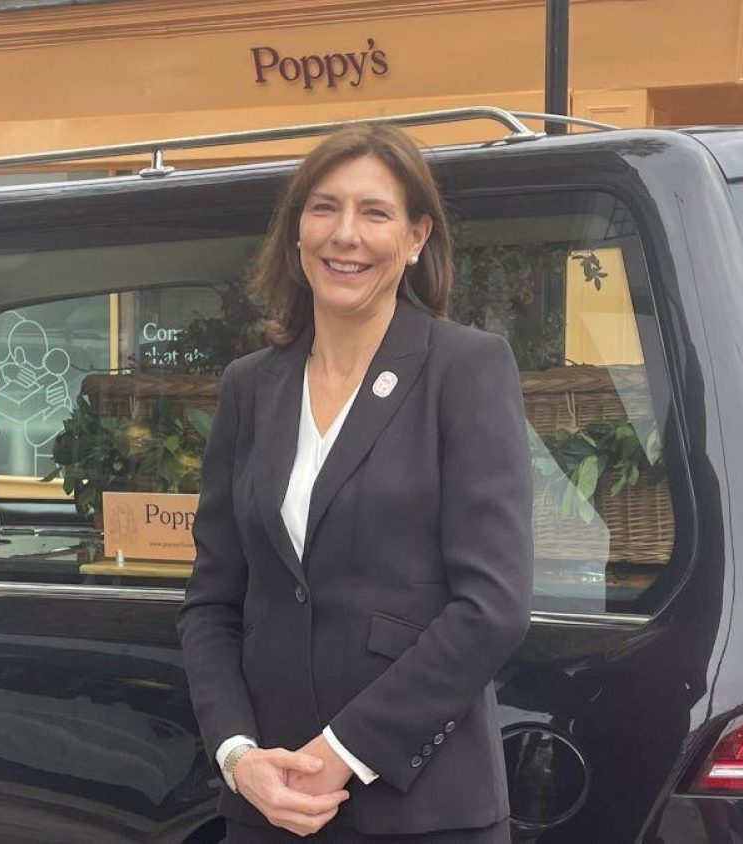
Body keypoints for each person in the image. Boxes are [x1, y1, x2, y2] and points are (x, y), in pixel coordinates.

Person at [176, 123, 534, 841]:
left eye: (374, 213)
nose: (346, 235)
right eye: (324, 208)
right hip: (268, 809)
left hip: (422, 813)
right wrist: (238, 755)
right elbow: (213, 602)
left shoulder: (464, 369)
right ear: (295, 233)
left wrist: (341, 752)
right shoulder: (251, 386)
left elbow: (492, 605)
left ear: (415, 237)